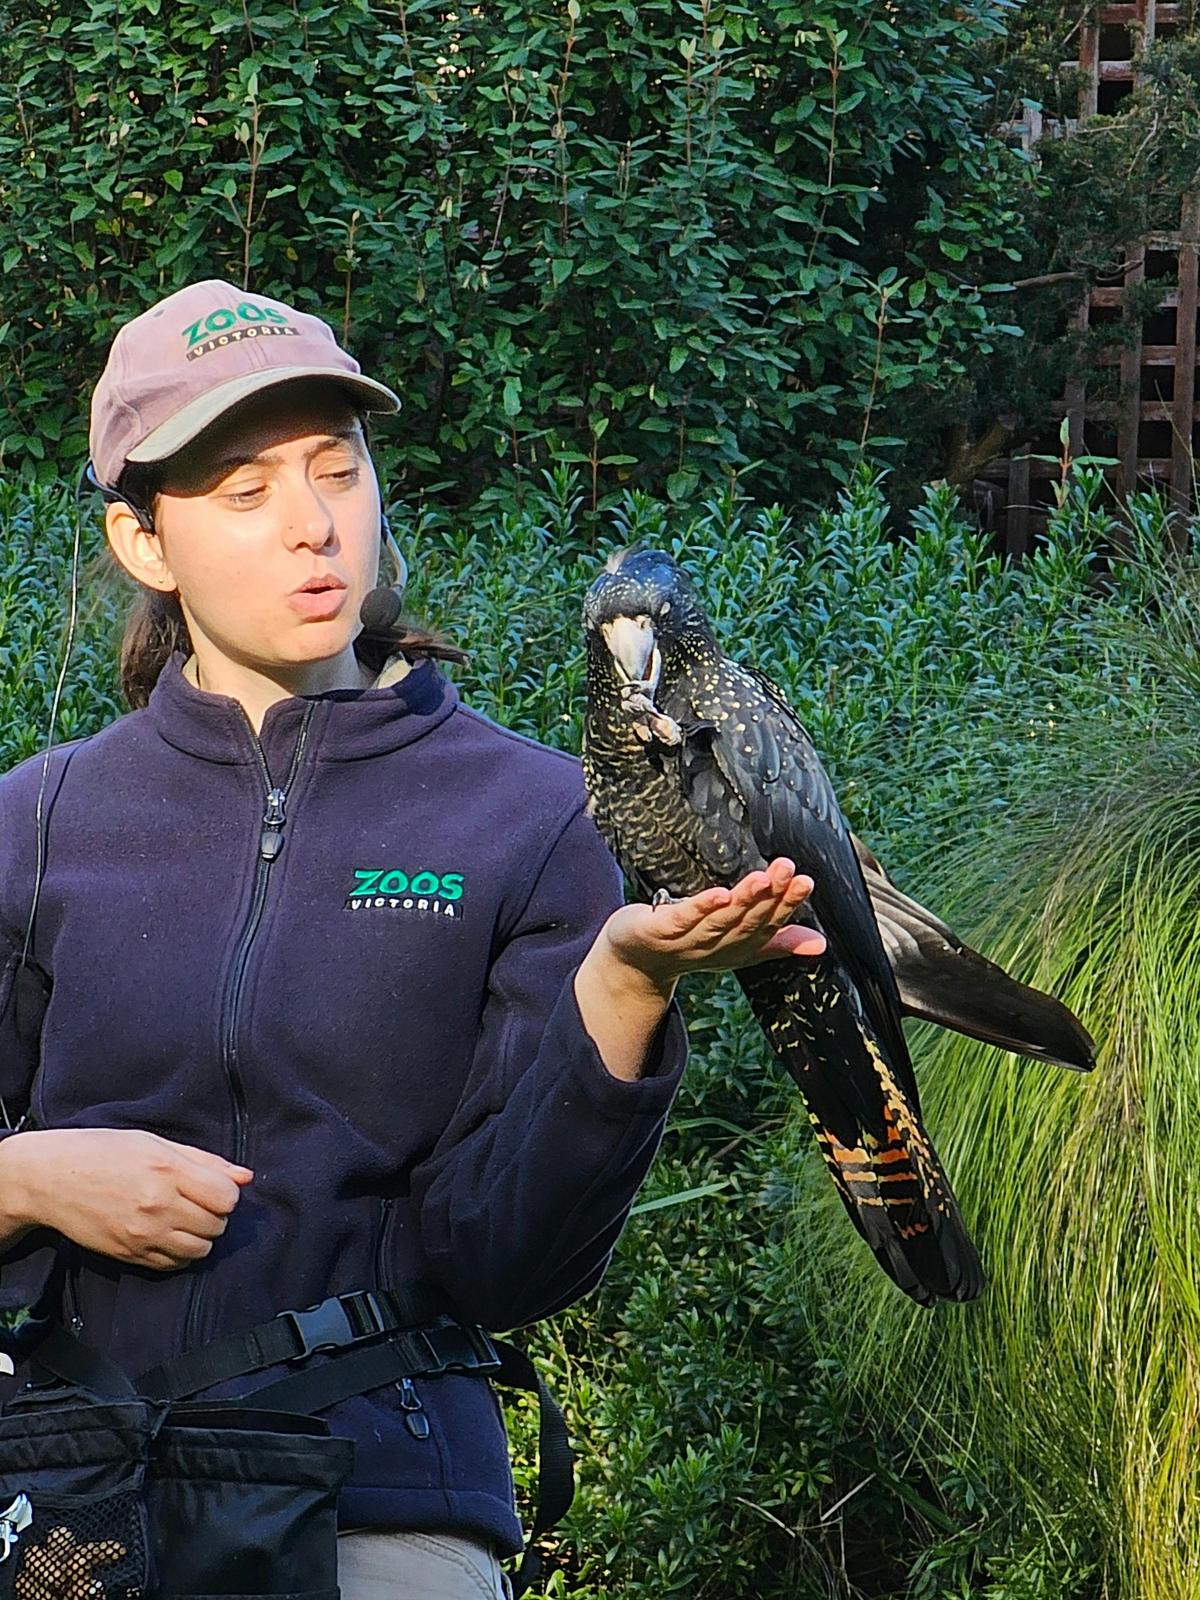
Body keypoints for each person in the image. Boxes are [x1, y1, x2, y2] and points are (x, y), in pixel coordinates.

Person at [0, 280, 826, 1598]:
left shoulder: (535, 813)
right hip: (74, 1524)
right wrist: (27, 1182)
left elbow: (505, 1264)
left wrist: (622, 991)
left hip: (380, 1518)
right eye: (244, 491)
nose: (314, 524)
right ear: (143, 540)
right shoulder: (35, 822)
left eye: (339, 469)